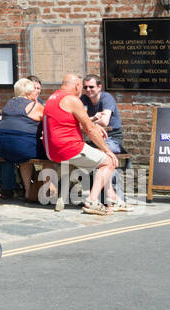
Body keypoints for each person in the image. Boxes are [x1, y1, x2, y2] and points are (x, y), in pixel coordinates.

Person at [42, 74, 124, 214]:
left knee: (102, 160)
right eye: (83, 87)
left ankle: (113, 198)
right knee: (108, 161)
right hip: (69, 149)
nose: (84, 91)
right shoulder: (72, 99)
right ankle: (92, 201)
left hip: (51, 150)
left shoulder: (52, 98)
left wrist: (93, 125)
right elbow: (90, 129)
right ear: (77, 85)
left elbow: (70, 122)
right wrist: (106, 150)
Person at [0, 78, 43, 202]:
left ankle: (24, 190)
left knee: (23, 158)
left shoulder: (9, 104)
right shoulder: (35, 106)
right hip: (23, 148)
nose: (36, 93)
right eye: (34, 90)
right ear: (28, 93)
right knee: (49, 155)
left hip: (1, 148)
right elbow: (48, 123)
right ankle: (36, 191)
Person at [81, 74, 127, 203]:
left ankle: (113, 197)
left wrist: (90, 121)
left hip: (112, 138)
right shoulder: (84, 99)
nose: (88, 90)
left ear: (99, 87)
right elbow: (81, 121)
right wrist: (94, 118)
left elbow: (105, 121)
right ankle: (107, 197)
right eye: (85, 87)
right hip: (94, 139)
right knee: (86, 158)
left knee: (106, 159)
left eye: (91, 87)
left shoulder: (107, 98)